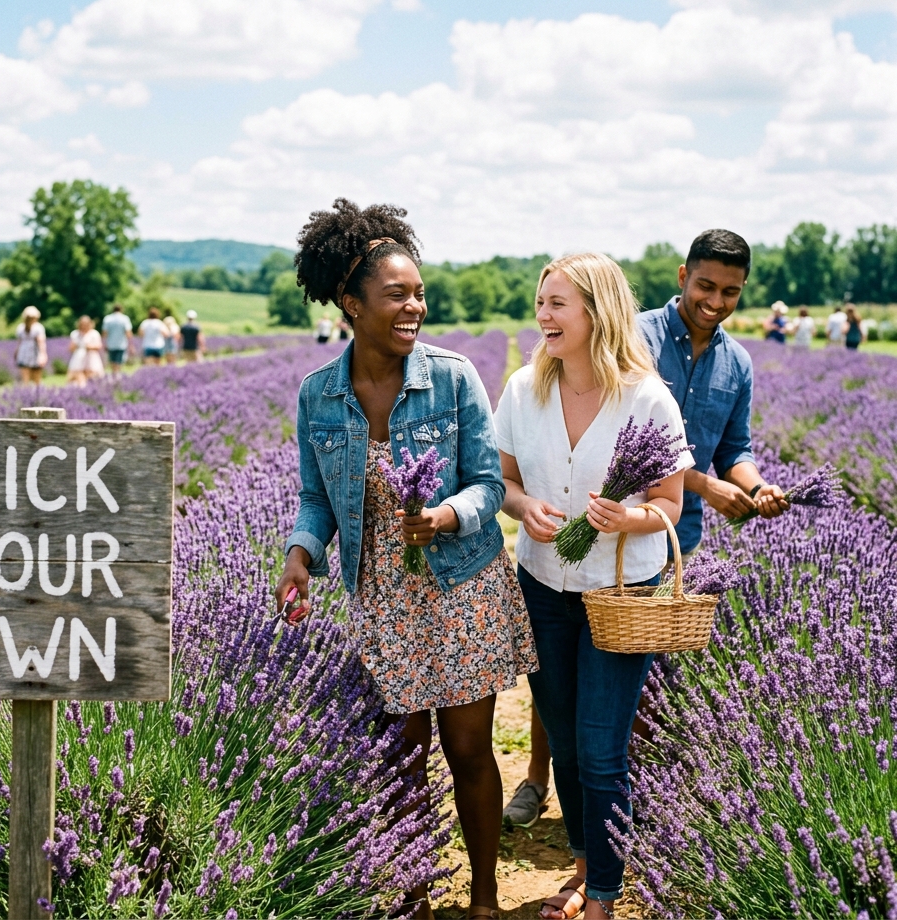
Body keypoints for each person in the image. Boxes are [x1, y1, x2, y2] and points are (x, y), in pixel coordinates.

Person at [276, 198, 536, 920]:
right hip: (382, 592)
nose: (414, 305)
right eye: (397, 294)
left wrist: (446, 514)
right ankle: (415, 895)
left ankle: (483, 897)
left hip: (460, 586)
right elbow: (315, 495)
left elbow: (490, 484)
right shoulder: (318, 396)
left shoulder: (452, 379)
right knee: (398, 757)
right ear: (350, 304)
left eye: (419, 291)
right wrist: (300, 554)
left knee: (468, 749)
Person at [504, 231, 792, 852]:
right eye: (706, 285)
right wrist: (704, 486)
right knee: (564, 693)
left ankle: (611, 827)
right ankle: (540, 781)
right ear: (684, 275)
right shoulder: (634, 337)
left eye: (731, 292)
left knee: (616, 702)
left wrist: (755, 485)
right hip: (593, 537)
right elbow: (640, 444)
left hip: (658, 544)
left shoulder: (735, 363)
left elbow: (729, 448)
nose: (715, 300)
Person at [495, 252, 693, 920]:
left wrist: (629, 517)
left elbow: (669, 504)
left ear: (596, 313)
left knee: (603, 748)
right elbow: (504, 481)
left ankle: (605, 896)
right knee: (566, 738)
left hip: (621, 594)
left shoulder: (647, 397)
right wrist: (525, 510)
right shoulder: (524, 389)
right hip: (543, 584)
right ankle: (582, 870)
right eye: (540, 302)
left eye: (557, 304)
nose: (542, 316)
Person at [67, 315, 105, 387]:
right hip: (78, 358)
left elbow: (99, 346)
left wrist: (89, 347)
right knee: (77, 375)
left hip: (91, 357)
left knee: (93, 376)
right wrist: (74, 346)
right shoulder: (75, 334)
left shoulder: (94, 333)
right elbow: (70, 348)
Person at [14, 306, 47, 384]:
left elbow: (19, 343)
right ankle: (37, 395)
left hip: (24, 353)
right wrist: (43, 354)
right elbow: (41, 342)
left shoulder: (20, 327)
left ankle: (26, 394)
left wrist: (16, 353)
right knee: (37, 379)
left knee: (25, 379)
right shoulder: (38, 327)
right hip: (34, 353)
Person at [101, 303, 133, 374]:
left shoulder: (107, 319)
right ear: (121, 310)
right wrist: (131, 344)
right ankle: (117, 376)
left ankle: (114, 374)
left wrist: (104, 343)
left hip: (110, 344)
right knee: (119, 362)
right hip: (121, 344)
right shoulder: (125, 318)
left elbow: (104, 333)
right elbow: (128, 333)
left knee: (113, 362)